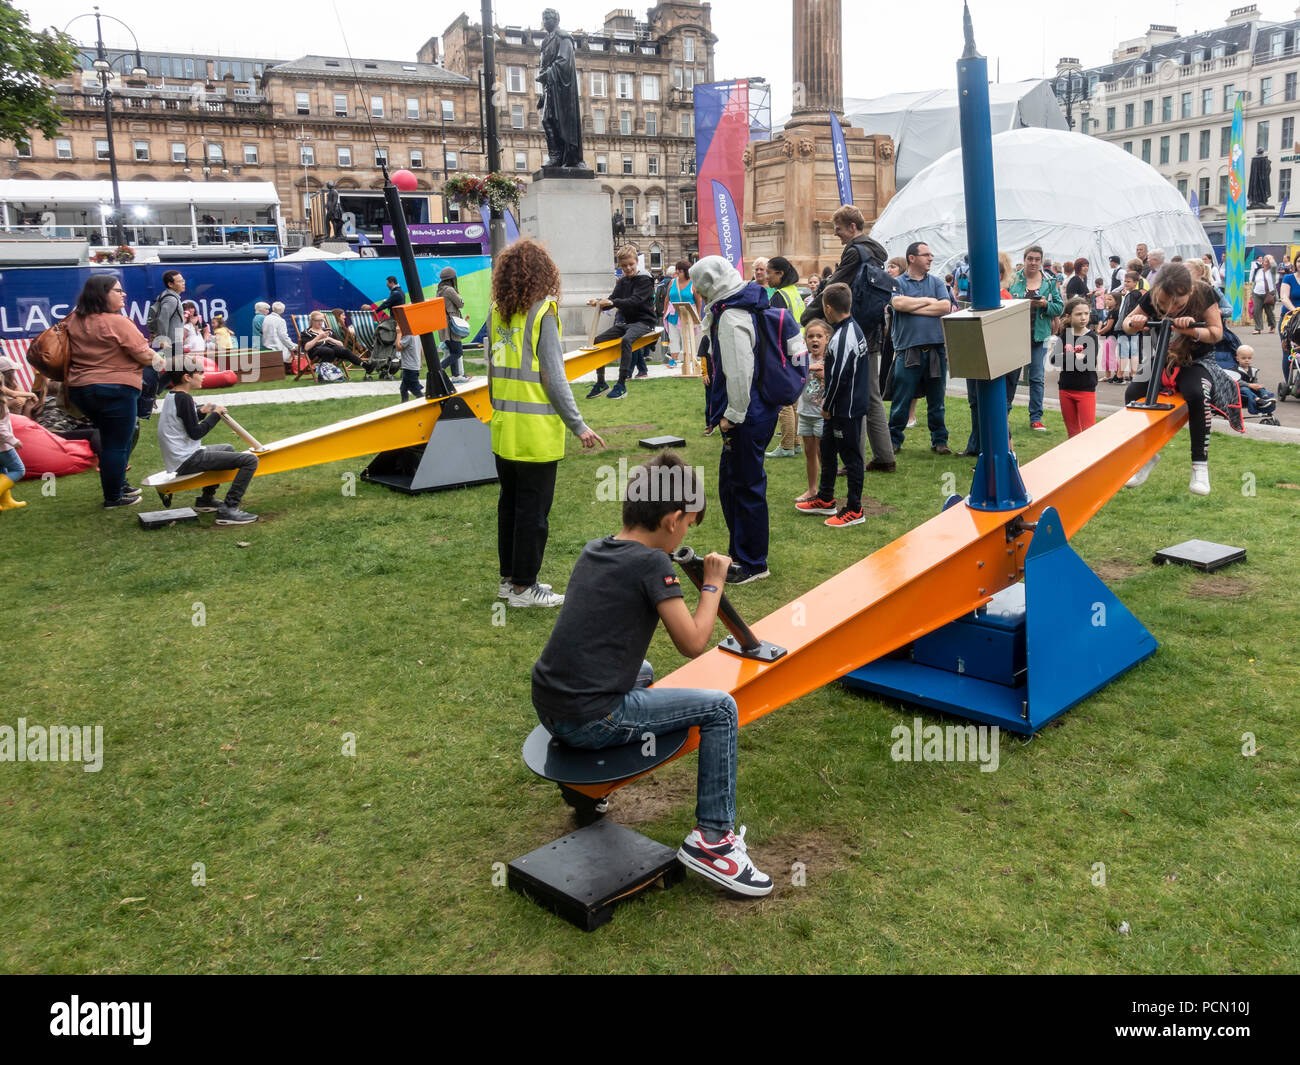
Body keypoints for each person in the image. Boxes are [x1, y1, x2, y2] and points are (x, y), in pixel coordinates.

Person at [531, 451, 771, 897]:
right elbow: (693, 641)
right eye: (688, 525)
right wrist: (713, 582)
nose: (685, 534)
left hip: (551, 703)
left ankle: (585, 791)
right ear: (673, 519)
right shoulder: (652, 564)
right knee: (721, 708)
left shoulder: (596, 549)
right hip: (592, 716)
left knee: (641, 670)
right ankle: (713, 841)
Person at [489, 239, 605, 607]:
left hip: (504, 427)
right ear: (544, 274)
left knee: (509, 506)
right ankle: (525, 588)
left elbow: (491, 372)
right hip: (535, 434)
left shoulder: (497, 311)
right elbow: (553, 378)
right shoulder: (544, 312)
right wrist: (579, 425)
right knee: (532, 514)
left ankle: (509, 581)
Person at [691, 254, 777, 584]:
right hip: (752, 412)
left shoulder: (731, 316)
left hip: (746, 415)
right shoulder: (738, 306)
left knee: (745, 486)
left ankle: (754, 562)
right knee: (732, 484)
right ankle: (742, 553)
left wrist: (732, 416)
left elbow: (740, 372)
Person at [801, 205, 894, 472]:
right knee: (872, 395)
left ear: (852, 227)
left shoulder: (855, 251)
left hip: (854, 332)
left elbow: (834, 289)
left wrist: (808, 315)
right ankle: (885, 457)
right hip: (873, 329)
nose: (836, 234)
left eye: (839, 229)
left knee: (855, 396)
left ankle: (857, 461)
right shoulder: (876, 252)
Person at [1122, 262, 1227, 496]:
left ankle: (1200, 465)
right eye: (1162, 305)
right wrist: (1135, 323)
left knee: (1197, 394)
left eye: (1177, 305)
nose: (1170, 310)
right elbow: (1126, 324)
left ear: (1189, 292)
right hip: (1163, 360)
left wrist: (1191, 330)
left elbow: (1216, 333)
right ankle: (1146, 455)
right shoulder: (1151, 296)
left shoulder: (1204, 293)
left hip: (1196, 361)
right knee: (1132, 395)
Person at [64, 275, 159, 508]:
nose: (123, 294)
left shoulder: (72, 320)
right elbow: (145, 354)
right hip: (115, 389)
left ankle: (119, 484)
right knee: (116, 443)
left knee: (112, 439)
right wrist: (159, 359)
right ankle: (114, 496)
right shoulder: (117, 322)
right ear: (102, 294)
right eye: (117, 290)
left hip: (80, 389)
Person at [795, 283, 870, 526]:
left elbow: (838, 377)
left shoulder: (844, 336)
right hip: (838, 406)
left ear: (828, 309)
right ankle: (825, 498)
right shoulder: (847, 330)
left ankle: (854, 509)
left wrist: (828, 404)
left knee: (851, 458)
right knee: (827, 451)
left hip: (845, 408)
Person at [157, 355, 259, 524]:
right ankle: (229, 509)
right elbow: (196, 433)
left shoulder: (173, 396)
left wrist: (201, 412)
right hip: (187, 459)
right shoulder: (184, 398)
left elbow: (183, 421)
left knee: (227, 448)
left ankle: (206, 499)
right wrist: (215, 415)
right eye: (200, 373)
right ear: (187, 377)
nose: (204, 376)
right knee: (250, 461)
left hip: (182, 456)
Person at [887, 241, 953, 454]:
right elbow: (898, 304)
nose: (930, 258)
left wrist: (912, 307)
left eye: (931, 255)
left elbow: (945, 306)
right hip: (908, 350)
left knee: (937, 400)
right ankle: (893, 440)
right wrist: (927, 300)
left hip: (935, 349)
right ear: (912, 258)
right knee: (901, 399)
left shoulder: (936, 281)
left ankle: (940, 441)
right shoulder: (898, 282)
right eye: (926, 255)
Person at [587, 244, 657, 399]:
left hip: (645, 322)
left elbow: (635, 301)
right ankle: (601, 383)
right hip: (627, 323)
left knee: (626, 340)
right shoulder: (622, 282)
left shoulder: (645, 280)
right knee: (597, 340)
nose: (628, 268)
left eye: (631, 264)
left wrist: (613, 303)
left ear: (636, 261)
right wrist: (599, 302)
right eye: (624, 266)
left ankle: (621, 384)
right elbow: (612, 299)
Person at [1007, 244, 1064, 432]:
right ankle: (1004, 414)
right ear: (1024, 259)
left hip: (1039, 336)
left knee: (1037, 378)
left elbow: (1059, 307)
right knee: (1010, 378)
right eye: (1030, 258)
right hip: (1015, 336)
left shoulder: (1049, 281)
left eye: (1037, 259)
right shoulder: (1013, 279)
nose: (1033, 262)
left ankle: (1036, 418)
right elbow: (1003, 301)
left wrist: (1045, 304)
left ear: (1041, 261)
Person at [765, 256, 805, 459]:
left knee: (783, 399)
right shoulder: (794, 292)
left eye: (768, 273)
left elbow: (774, 326)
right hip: (799, 347)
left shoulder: (779, 295)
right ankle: (796, 442)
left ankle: (787, 445)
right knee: (795, 397)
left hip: (785, 350)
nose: (766, 277)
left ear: (780, 274)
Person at [537, 7, 585, 169]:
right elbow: (543, 65)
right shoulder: (544, 42)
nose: (546, 22)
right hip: (550, 88)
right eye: (544, 19)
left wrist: (547, 74)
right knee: (547, 120)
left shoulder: (564, 37)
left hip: (562, 90)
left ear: (556, 20)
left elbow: (564, 61)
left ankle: (565, 157)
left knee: (557, 121)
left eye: (549, 18)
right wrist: (543, 93)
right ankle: (555, 156)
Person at [794, 318, 829, 503]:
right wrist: (810, 367)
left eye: (819, 336)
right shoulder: (802, 359)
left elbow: (835, 382)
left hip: (822, 415)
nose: (814, 340)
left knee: (823, 453)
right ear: (805, 340)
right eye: (810, 336)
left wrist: (824, 375)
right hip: (805, 412)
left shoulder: (830, 360)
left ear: (827, 339)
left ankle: (826, 491)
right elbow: (787, 364)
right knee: (809, 451)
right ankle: (811, 489)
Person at [1057, 297, 1099, 438]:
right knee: (1073, 433)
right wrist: (1077, 356)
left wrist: (1067, 356)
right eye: (1079, 314)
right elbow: (1054, 359)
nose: (1083, 318)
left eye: (1086, 314)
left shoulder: (1091, 337)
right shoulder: (1065, 335)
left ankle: (1091, 459)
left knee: (1088, 433)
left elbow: (1088, 364)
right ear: (1069, 316)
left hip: (1085, 390)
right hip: (1065, 388)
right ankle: (1075, 460)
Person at [0, 356, 32, 510]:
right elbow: (0, 427)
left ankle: (6, 501)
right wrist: (12, 440)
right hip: (3, 445)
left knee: (3, 470)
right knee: (18, 469)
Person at [436, 266, 469, 382]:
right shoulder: (449, 290)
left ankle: (455, 376)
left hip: (445, 324)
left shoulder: (439, 290)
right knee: (458, 351)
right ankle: (439, 369)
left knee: (453, 351)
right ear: (452, 278)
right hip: (451, 325)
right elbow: (460, 304)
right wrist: (459, 296)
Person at [663, 259, 695, 368]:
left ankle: (688, 360)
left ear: (686, 271)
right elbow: (667, 298)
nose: (677, 274)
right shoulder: (673, 282)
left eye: (679, 271)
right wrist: (665, 311)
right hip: (673, 313)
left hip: (687, 313)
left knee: (687, 337)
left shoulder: (692, 283)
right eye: (676, 271)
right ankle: (674, 360)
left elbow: (698, 300)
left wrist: (698, 314)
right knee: (673, 337)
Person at [150, 270, 186, 356]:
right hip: (173, 343)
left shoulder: (166, 296)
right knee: (175, 368)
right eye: (180, 281)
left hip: (173, 342)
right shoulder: (171, 300)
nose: (183, 283)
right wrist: (163, 340)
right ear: (170, 284)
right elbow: (162, 320)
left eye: (183, 280)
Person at [1231, 344, 1275, 415]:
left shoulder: (1253, 370)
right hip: (1239, 392)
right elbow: (1236, 381)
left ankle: (1265, 397)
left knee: (1261, 388)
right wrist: (1249, 385)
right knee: (1245, 389)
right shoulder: (1234, 370)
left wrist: (1257, 385)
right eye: (1244, 358)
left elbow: (1254, 380)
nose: (1247, 360)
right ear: (1237, 359)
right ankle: (1257, 400)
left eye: (1249, 358)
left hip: (1252, 390)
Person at [396, 322, 423, 402]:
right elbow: (421, 349)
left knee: (417, 392)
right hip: (414, 366)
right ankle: (404, 405)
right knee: (403, 389)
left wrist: (398, 334)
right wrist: (420, 361)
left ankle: (427, 406)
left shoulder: (408, 335)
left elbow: (398, 347)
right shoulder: (416, 333)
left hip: (409, 368)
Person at [261, 301, 294, 366]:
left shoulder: (266, 318)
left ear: (273, 309)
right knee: (293, 350)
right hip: (277, 347)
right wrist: (292, 346)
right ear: (283, 310)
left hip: (266, 345)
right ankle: (288, 368)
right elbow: (283, 337)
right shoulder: (281, 321)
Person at [1250, 254, 1277, 333]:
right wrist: (1252, 292)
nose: (1266, 260)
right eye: (1265, 259)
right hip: (1257, 294)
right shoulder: (1259, 271)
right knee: (1256, 311)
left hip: (1269, 294)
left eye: (1268, 260)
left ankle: (1272, 325)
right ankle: (1258, 328)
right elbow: (1256, 282)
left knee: (1269, 312)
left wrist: (1270, 257)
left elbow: (1274, 265)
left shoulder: (1272, 271)